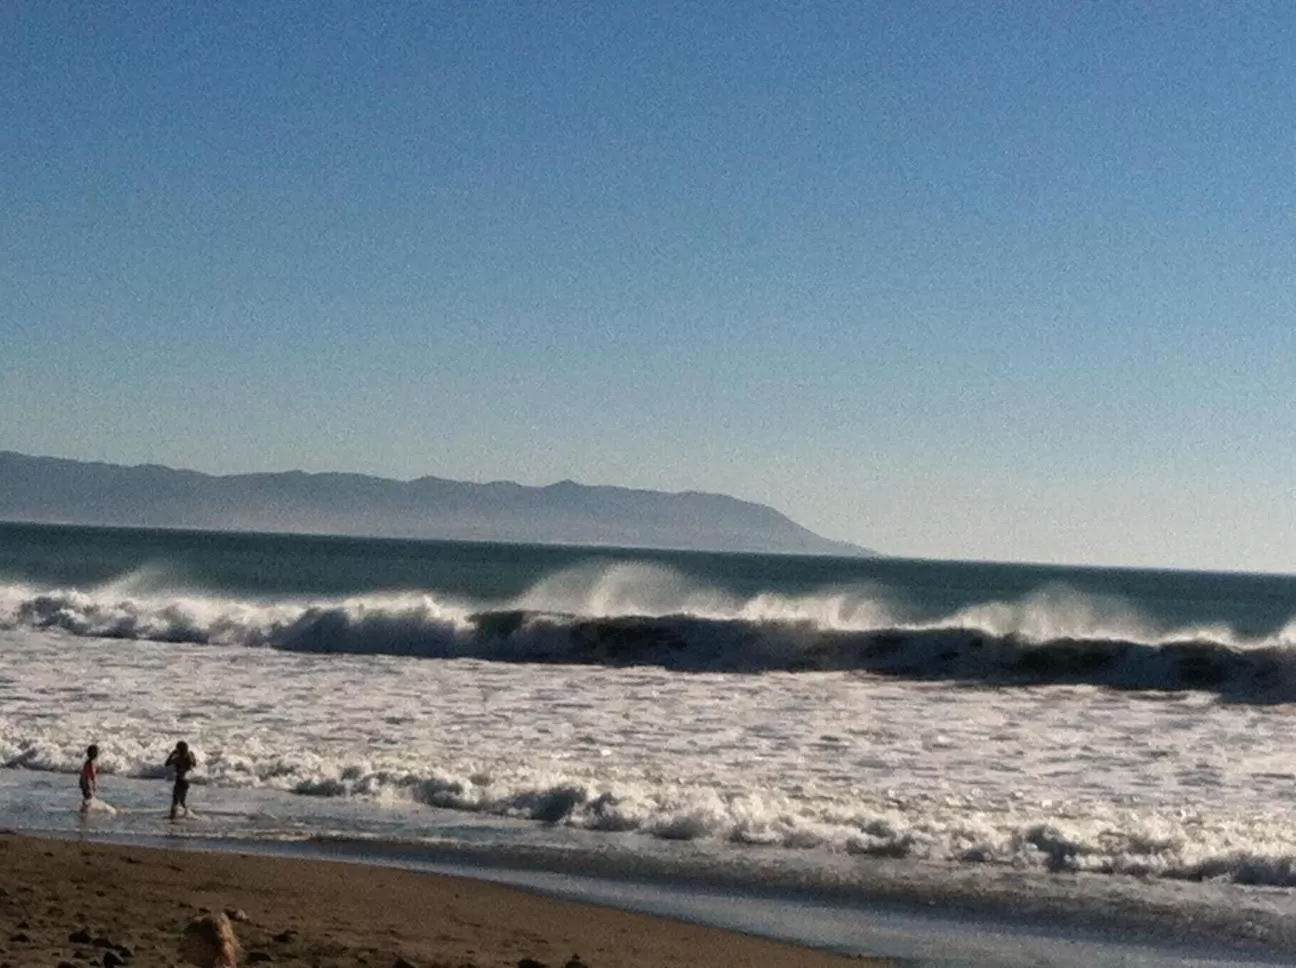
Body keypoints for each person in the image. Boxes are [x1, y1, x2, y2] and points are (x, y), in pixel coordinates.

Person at [165, 740, 198, 820]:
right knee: (181, 800)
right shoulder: (190, 755)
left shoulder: (179, 759)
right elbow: (194, 764)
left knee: (175, 800)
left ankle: (174, 815)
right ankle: (185, 813)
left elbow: (167, 764)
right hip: (186, 781)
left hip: (180, 780)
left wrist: (172, 754)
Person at [79, 744, 99, 811]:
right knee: (89, 796)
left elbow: (83, 772)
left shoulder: (87, 762)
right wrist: (94, 783)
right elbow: (92, 774)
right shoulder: (92, 762)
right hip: (87, 782)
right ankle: (85, 809)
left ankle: (83, 808)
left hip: (82, 781)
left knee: (86, 796)